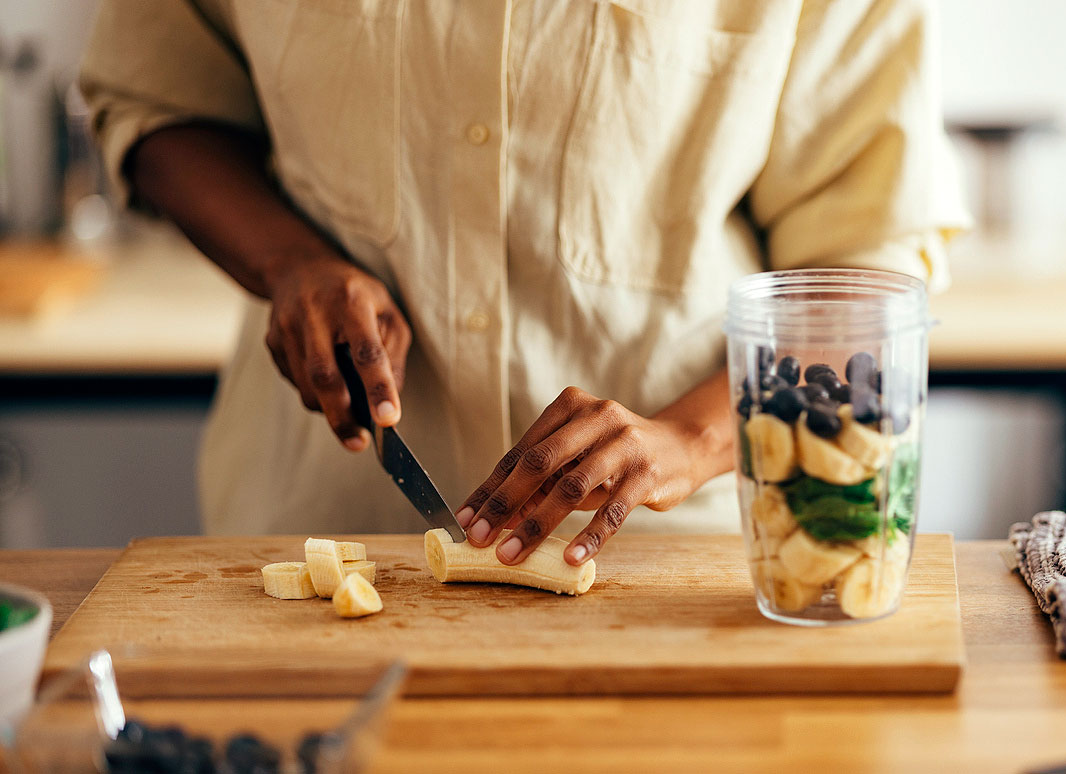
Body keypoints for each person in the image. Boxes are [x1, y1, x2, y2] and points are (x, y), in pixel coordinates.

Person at [80, 0, 967, 568]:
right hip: (320, 533)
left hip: (664, 565)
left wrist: (687, 440)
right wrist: (290, 263)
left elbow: (868, 269)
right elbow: (158, 102)